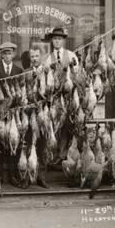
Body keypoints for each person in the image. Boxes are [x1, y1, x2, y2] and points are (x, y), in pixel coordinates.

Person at [43, 27, 78, 164]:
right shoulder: (47, 58)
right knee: (55, 125)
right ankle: (54, 155)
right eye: (55, 39)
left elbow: (77, 73)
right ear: (52, 41)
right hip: (55, 98)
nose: (57, 41)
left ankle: (63, 154)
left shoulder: (71, 55)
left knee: (66, 126)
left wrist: (72, 67)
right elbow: (45, 80)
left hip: (69, 96)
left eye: (59, 39)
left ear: (63, 40)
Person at [0, 41, 23, 187]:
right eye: (4, 53)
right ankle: (2, 174)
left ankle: (12, 174)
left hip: (15, 112)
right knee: (1, 143)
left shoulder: (19, 70)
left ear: (13, 54)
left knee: (14, 142)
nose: (7, 56)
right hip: (1, 112)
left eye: (9, 53)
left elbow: (22, 92)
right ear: (1, 55)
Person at [28, 44, 49, 188]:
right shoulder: (24, 73)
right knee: (29, 144)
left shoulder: (47, 72)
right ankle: (29, 177)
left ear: (41, 56)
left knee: (43, 146)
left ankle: (41, 177)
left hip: (44, 113)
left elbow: (53, 92)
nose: (34, 59)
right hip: (29, 114)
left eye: (37, 56)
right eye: (32, 56)